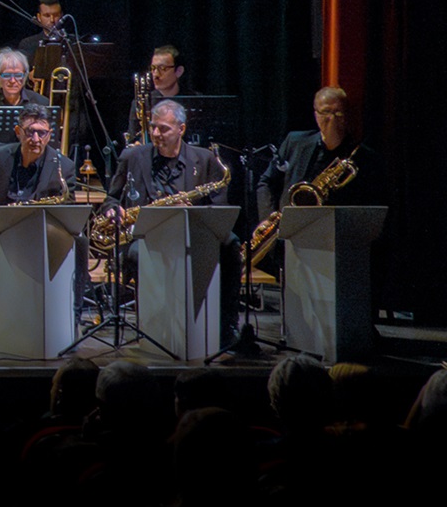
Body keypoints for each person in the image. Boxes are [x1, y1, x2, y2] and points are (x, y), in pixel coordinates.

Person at [103, 99, 240, 342]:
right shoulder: (133, 157)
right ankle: (151, 326)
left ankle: (227, 325)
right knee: (136, 253)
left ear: (182, 129)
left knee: (231, 244)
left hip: (194, 231)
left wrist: (188, 212)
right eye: (153, 127)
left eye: (163, 128)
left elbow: (219, 207)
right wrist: (114, 211)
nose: (156, 134)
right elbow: (111, 199)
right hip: (148, 233)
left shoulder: (205, 159)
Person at [0, 103, 76, 309]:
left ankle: (71, 311)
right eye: (30, 132)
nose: (35, 139)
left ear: (50, 134)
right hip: (1, 232)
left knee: (78, 243)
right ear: (18, 132)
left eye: (42, 133)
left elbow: (67, 208)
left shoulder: (64, 166)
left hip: (41, 234)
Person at [261, 86, 382, 214]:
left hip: (335, 228)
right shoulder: (294, 142)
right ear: (316, 115)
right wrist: (267, 217)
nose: (332, 119)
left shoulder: (363, 157)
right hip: (290, 227)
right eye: (326, 112)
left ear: (346, 115)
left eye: (338, 112)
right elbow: (267, 181)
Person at [0, 48, 50, 118]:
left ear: (25, 76)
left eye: (18, 75)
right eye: (7, 75)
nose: (13, 80)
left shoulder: (42, 103)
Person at [18, 0, 64, 66]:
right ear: (39, 17)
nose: (52, 20)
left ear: (61, 16)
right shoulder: (28, 44)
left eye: (55, 15)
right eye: (47, 16)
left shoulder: (72, 41)